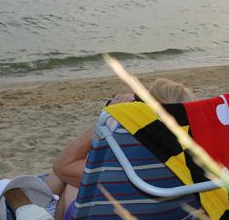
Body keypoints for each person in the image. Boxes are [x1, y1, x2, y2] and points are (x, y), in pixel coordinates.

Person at [45, 78, 196, 220]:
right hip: (164, 213)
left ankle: (34, 203)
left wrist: (108, 118)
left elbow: (61, 167)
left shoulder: (122, 161)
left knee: (70, 180)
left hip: (114, 214)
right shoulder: (201, 160)